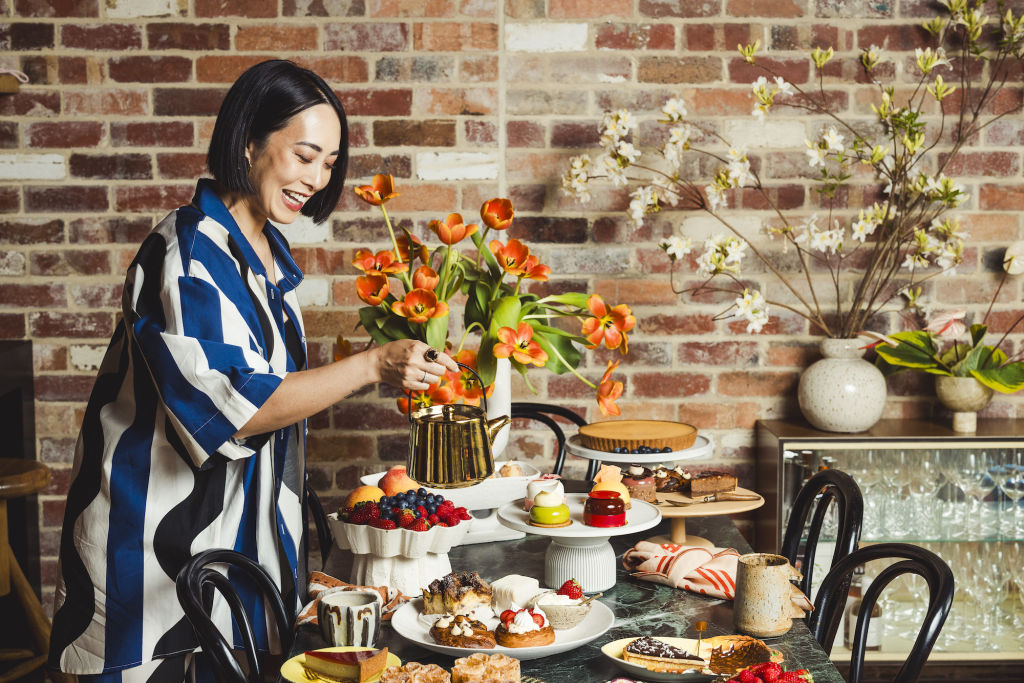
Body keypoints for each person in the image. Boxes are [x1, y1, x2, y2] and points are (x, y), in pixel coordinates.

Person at [48, 59, 457, 682]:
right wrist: (375, 362)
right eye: (304, 155)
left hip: (239, 553)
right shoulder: (188, 249)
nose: (317, 179)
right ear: (248, 142)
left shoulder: (268, 255)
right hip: (154, 555)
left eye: (328, 163)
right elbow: (241, 409)